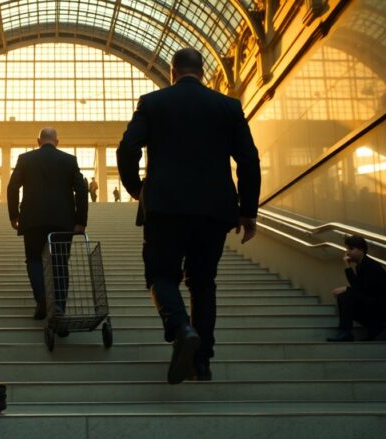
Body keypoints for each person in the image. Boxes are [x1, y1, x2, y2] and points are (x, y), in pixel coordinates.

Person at [117, 48, 261, 384]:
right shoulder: (228, 106)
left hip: (165, 208)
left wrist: (136, 188)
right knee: (202, 282)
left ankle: (180, 327)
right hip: (214, 210)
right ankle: (203, 362)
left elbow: (127, 148)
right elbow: (249, 161)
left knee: (161, 275)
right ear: (202, 71)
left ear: (172, 71)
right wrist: (248, 211)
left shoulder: (153, 102)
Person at [7, 128, 88, 324]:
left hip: (32, 220)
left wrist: (14, 215)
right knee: (60, 262)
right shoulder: (69, 160)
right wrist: (81, 220)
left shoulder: (25, 159)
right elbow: (81, 189)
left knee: (34, 260)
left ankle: (42, 299)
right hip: (63, 221)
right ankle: (59, 306)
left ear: (38, 141)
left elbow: (12, 187)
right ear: (57, 142)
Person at [327, 235, 386, 342]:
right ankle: (374, 327)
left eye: (351, 249)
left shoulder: (370, 266)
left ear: (361, 250)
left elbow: (364, 291)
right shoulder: (360, 265)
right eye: (347, 249)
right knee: (345, 297)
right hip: (375, 305)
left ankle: (346, 332)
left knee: (345, 296)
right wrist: (347, 266)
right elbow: (359, 289)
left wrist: (346, 289)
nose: (347, 252)